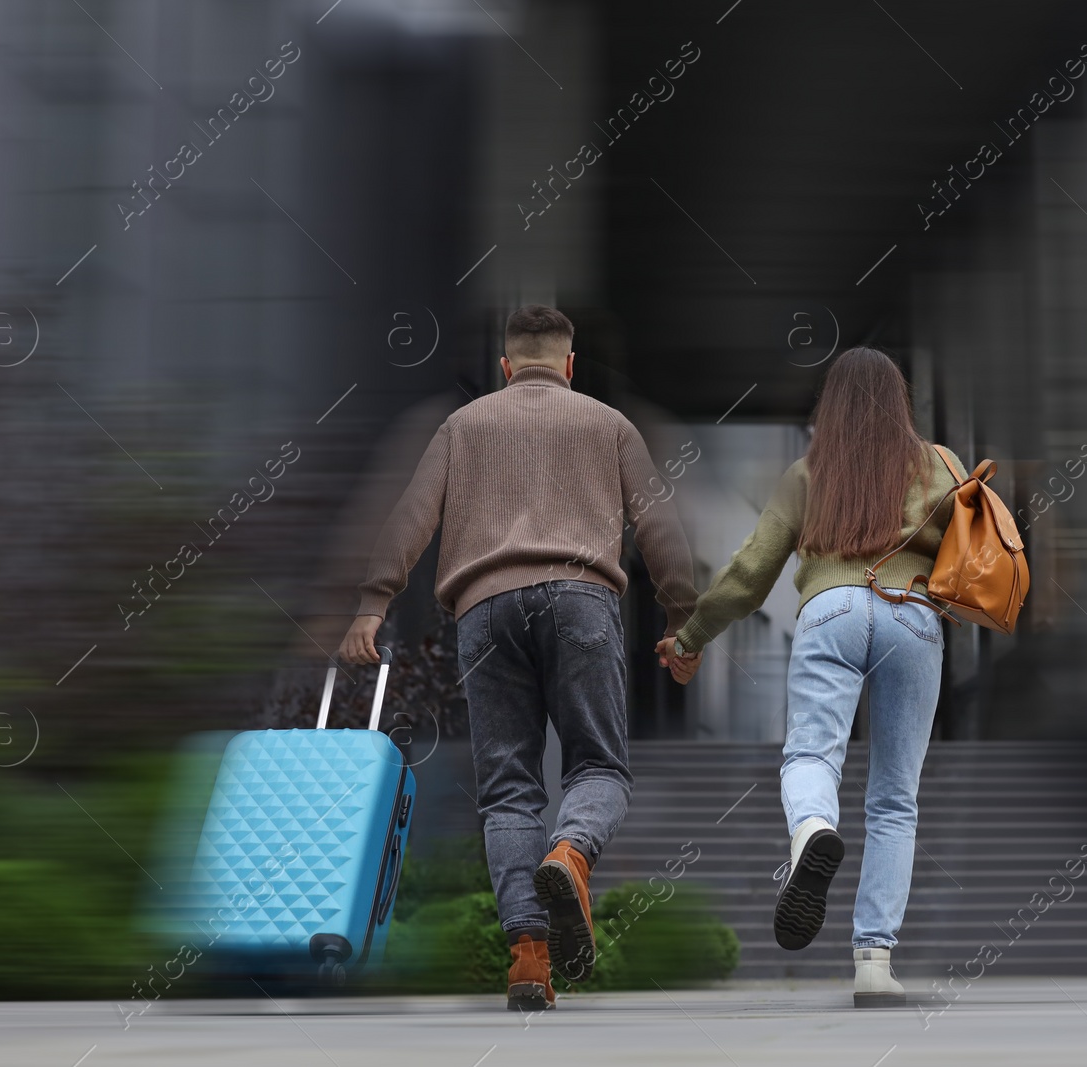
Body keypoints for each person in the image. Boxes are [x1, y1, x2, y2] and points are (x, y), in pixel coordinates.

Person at [340, 304, 698, 1012]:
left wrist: (372, 603)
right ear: (569, 364)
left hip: (484, 609)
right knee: (599, 765)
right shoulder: (609, 424)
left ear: (506, 367)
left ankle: (529, 960)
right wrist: (684, 616)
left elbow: (412, 515)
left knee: (508, 788)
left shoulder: (462, 426)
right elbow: (659, 524)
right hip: (582, 599)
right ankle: (570, 852)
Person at [656, 347, 961, 1007]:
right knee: (894, 798)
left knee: (812, 752)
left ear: (833, 407)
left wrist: (689, 637)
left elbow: (749, 572)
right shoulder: (941, 466)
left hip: (832, 610)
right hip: (914, 619)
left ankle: (812, 831)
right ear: (899, 402)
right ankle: (874, 965)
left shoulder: (807, 473)